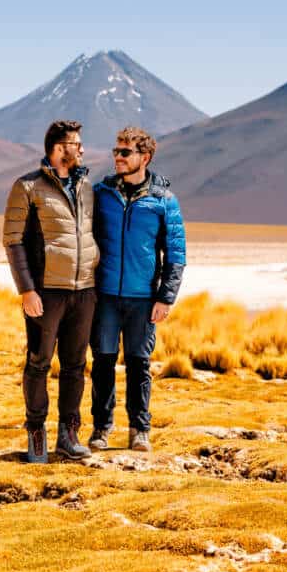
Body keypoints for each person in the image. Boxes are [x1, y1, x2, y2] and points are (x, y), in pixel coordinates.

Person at [3, 120, 99, 463]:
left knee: (75, 365)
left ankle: (69, 435)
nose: (83, 149)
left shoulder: (87, 186)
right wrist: (27, 290)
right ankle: (36, 434)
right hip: (46, 292)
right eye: (77, 144)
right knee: (39, 362)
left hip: (84, 291)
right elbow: (13, 241)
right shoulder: (27, 187)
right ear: (59, 149)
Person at [90, 126, 186, 452]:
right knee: (102, 362)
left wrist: (166, 297)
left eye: (125, 152)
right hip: (104, 296)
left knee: (139, 365)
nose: (117, 157)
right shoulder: (101, 194)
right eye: (116, 151)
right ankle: (101, 429)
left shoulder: (163, 201)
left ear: (144, 157)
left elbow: (176, 254)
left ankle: (139, 430)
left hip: (143, 299)